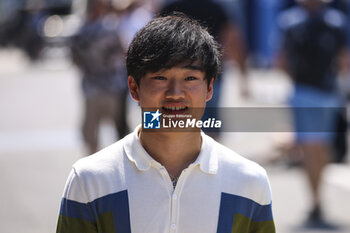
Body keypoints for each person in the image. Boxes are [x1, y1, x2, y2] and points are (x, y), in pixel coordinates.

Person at [57, 14, 275, 233]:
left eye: (190, 78)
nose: (175, 93)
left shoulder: (249, 182)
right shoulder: (89, 180)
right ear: (134, 88)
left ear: (209, 88)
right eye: (160, 78)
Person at [277, 0, 349, 226]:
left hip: (319, 92)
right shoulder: (292, 22)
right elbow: (282, 60)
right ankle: (316, 200)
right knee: (312, 146)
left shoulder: (334, 22)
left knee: (318, 147)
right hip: (312, 92)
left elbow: (344, 59)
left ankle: (316, 200)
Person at [159, 0, 248, 139]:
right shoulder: (217, 8)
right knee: (209, 124)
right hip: (209, 74)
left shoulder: (170, 7)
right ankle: (208, 157)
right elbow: (234, 41)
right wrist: (243, 77)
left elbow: (156, 43)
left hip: (178, 76)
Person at [70, 0, 130, 154]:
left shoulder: (79, 30)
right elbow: (123, 54)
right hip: (113, 87)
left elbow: (74, 60)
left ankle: (93, 167)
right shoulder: (110, 29)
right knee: (120, 131)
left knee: (90, 135)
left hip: (91, 88)